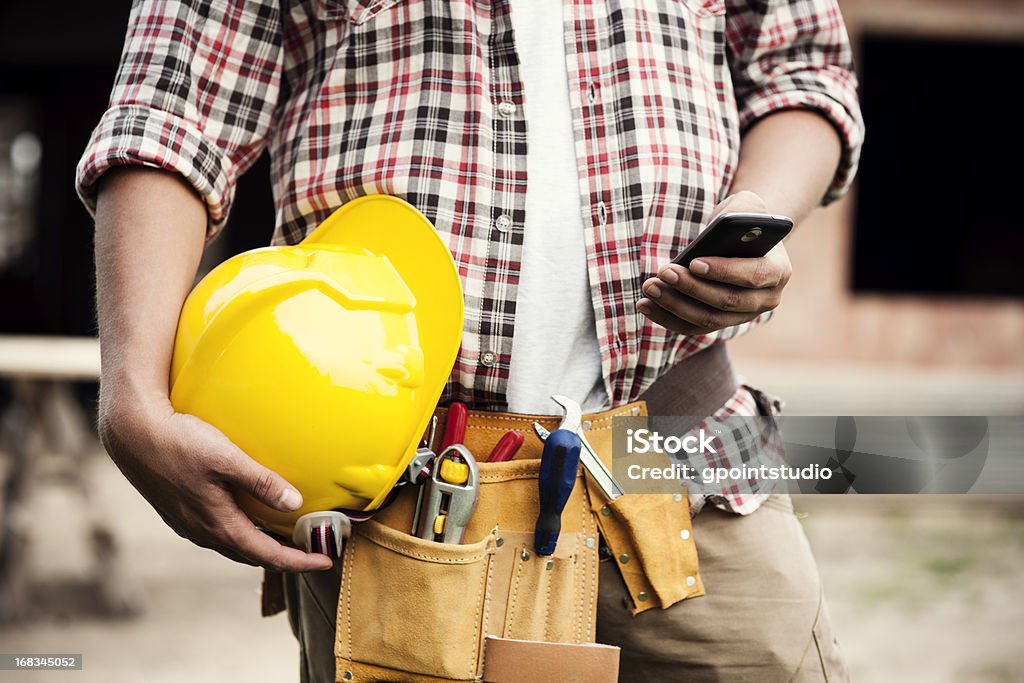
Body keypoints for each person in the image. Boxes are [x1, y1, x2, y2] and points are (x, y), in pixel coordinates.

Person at [77, 0, 864, 680]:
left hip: (680, 452)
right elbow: (173, 112)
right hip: (391, 488)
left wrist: (763, 204)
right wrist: (133, 395)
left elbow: (803, 72)